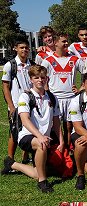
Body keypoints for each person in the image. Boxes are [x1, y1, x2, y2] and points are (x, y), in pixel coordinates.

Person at [2, 65, 63, 193]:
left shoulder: (52, 97)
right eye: (36, 78)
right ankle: (43, 182)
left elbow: (56, 121)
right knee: (41, 145)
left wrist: (61, 141)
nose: (40, 80)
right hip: (27, 136)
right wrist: (39, 136)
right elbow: (25, 120)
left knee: (37, 172)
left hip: (44, 137)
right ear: (31, 79)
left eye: (42, 77)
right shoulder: (25, 96)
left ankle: (12, 164)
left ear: (47, 78)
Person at [41, 32, 83, 150]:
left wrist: (80, 88)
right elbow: (43, 79)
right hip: (56, 99)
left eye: (67, 41)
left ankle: (69, 149)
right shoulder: (48, 60)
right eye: (64, 41)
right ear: (55, 42)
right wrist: (48, 94)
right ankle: (58, 149)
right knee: (55, 126)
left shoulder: (75, 59)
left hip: (71, 98)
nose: (66, 44)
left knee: (69, 126)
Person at [2, 38, 33, 162]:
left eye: (26, 48)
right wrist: (11, 106)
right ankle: (10, 160)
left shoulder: (32, 64)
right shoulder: (10, 65)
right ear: (15, 48)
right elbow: (5, 87)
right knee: (14, 132)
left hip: (30, 104)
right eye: (21, 47)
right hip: (16, 105)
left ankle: (25, 157)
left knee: (29, 129)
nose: (24, 50)